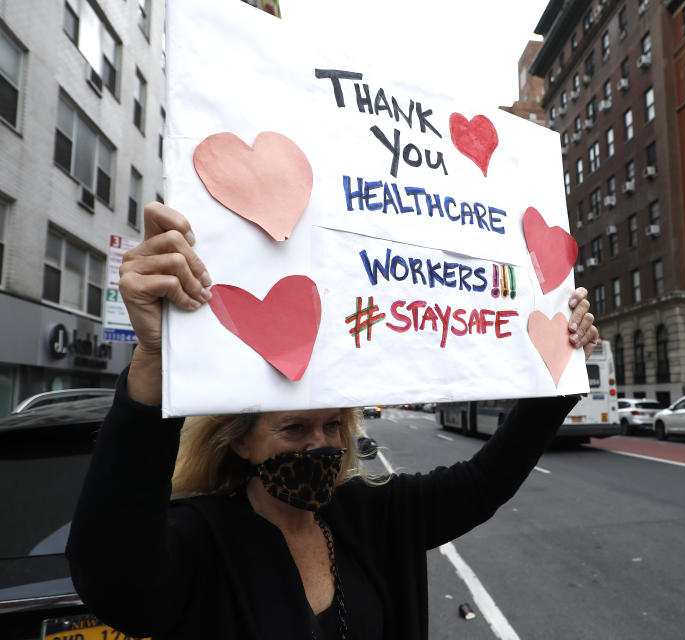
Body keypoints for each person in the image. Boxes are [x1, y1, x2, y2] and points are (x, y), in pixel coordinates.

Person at [66, 202, 600, 640]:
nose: (320, 445)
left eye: (333, 426)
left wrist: (560, 367)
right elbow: (115, 581)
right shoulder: (200, 538)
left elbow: (488, 480)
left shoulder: (373, 516)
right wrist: (155, 362)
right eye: (294, 429)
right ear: (241, 444)